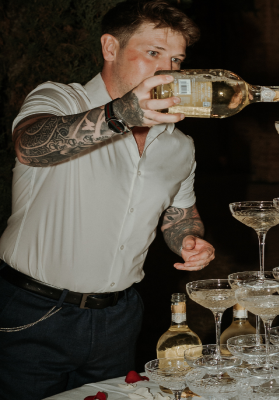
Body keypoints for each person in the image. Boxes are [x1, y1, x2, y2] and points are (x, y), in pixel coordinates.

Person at [0, 1, 216, 398]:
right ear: (110, 48)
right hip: (34, 312)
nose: (168, 71)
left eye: (177, 59)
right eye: (153, 53)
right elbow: (31, 145)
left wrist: (189, 239)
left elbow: (180, 213)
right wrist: (123, 114)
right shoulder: (61, 99)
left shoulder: (179, 144)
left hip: (119, 318)